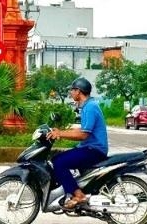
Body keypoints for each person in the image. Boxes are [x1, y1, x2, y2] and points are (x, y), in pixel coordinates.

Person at [47, 77, 108, 209]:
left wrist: (61, 134)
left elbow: (83, 134)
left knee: (59, 162)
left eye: (72, 90)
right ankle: (79, 190)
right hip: (89, 148)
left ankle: (78, 195)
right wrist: (61, 131)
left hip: (94, 151)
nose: (71, 93)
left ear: (79, 91)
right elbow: (83, 129)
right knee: (59, 156)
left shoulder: (90, 107)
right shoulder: (87, 106)